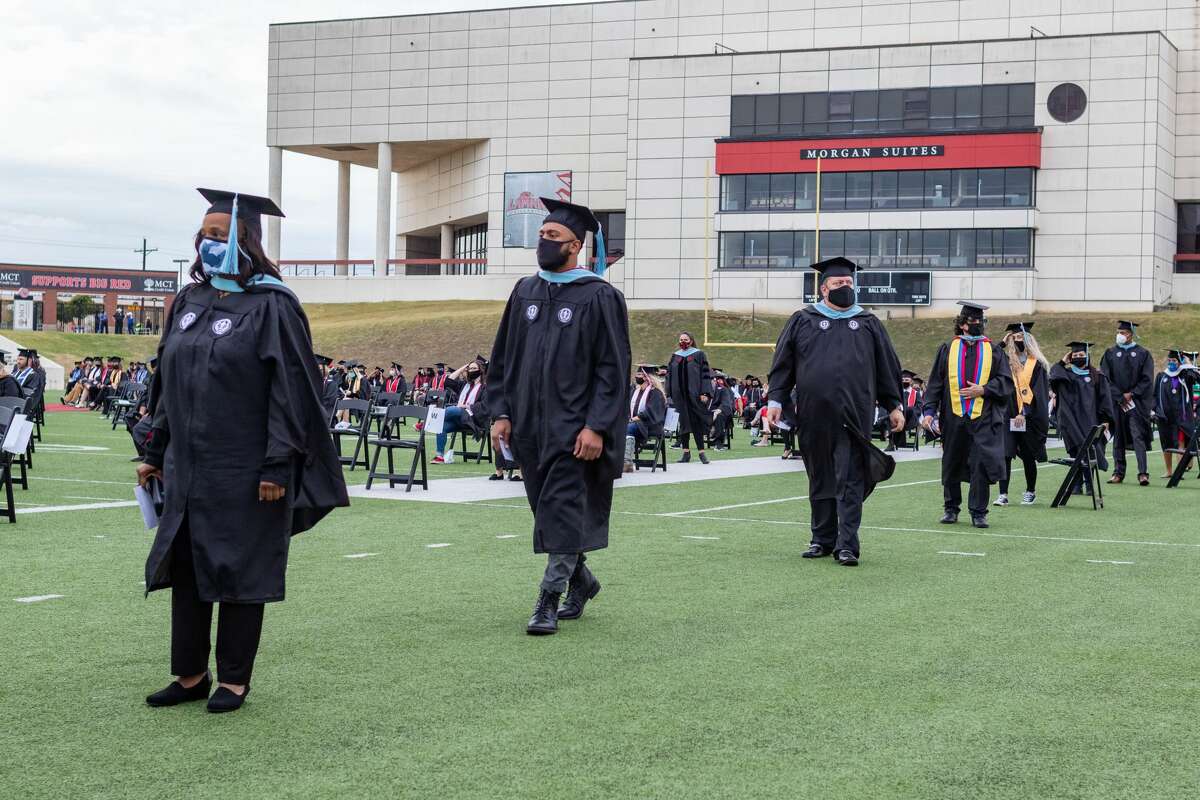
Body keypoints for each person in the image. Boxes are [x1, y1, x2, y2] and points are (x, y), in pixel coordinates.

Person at [137, 188, 348, 713]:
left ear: (244, 240)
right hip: (188, 466)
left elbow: (291, 392)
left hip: (247, 467)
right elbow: (167, 380)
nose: (208, 245)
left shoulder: (273, 306)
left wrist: (278, 463)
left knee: (238, 568)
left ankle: (234, 679)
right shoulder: (189, 301)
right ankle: (189, 675)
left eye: (218, 236)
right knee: (186, 567)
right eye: (203, 236)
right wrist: (154, 449)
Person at [488, 197, 630, 635]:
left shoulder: (600, 295)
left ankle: (548, 599)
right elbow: (503, 357)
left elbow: (613, 368)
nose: (542, 243)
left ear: (575, 246)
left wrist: (597, 426)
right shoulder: (526, 290)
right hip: (528, 425)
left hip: (574, 428)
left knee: (564, 509)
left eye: (553, 237)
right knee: (545, 511)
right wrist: (501, 411)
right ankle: (582, 580)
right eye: (541, 236)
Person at [766, 257, 905, 566]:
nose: (845, 288)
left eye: (849, 284)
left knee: (851, 479)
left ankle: (847, 545)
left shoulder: (868, 323)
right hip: (814, 416)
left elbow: (887, 367)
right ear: (823, 287)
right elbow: (783, 366)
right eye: (839, 283)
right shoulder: (804, 320)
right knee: (820, 478)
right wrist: (775, 401)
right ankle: (822, 539)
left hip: (855, 416)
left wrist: (894, 404)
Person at [921, 301, 1014, 529]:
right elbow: (935, 383)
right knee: (952, 461)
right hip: (953, 416)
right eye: (973, 322)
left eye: (981, 322)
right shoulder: (947, 348)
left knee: (980, 464)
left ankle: (979, 512)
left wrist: (984, 389)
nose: (978, 325)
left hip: (983, 417)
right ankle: (951, 508)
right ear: (962, 325)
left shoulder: (992, 350)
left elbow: (1006, 382)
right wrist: (929, 412)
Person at [1049, 342, 1115, 495]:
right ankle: (1077, 486)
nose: (1078, 358)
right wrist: (1062, 361)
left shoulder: (1097, 376)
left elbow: (1105, 399)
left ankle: (1090, 486)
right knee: (1074, 453)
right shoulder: (1067, 375)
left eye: (1081, 355)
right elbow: (1053, 374)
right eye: (1075, 355)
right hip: (1070, 421)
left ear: (1087, 357)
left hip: (1090, 420)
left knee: (1089, 452)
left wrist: (1105, 419)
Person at [995, 322, 1049, 506]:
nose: (1017, 341)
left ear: (1028, 340)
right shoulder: (1006, 361)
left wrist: (1025, 413)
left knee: (1027, 456)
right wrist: (1002, 344)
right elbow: (991, 355)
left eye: (1021, 337)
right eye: (1014, 338)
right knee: (1006, 454)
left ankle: (1030, 491)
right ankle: (1003, 494)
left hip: (1029, 417)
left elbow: (1040, 392)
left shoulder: (1037, 365)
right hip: (1008, 415)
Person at [1100, 320, 1154, 486]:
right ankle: (1118, 473)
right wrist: (1119, 396)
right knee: (1118, 439)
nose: (1120, 335)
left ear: (1131, 334)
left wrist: (1132, 394)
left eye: (1123, 333)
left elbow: (1147, 379)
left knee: (1137, 437)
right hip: (1117, 403)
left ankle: (1143, 473)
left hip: (1136, 404)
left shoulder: (1143, 354)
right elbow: (1105, 378)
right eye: (1119, 332)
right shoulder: (1110, 353)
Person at [665, 331, 713, 464]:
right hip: (679, 397)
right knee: (683, 424)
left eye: (685, 339)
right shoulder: (675, 356)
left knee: (696, 423)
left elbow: (705, 375)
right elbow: (669, 376)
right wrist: (668, 393)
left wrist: (705, 393)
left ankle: (701, 453)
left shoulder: (699, 354)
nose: (683, 342)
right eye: (681, 339)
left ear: (691, 341)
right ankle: (686, 453)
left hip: (695, 396)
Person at [1153, 349, 1196, 478]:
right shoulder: (1162, 376)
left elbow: (1196, 377)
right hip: (1164, 417)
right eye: (1170, 360)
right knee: (1166, 444)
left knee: (1180, 443)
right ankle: (1169, 471)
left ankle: (1179, 470)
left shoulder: (1185, 376)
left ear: (1179, 362)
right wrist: (1156, 409)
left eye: (1174, 361)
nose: (1171, 363)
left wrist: (1187, 363)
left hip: (1181, 417)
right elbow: (1154, 395)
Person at [434, 359, 486, 462]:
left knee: (453, 410)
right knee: (440, 426)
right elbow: (448, 381)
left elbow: (485, 406)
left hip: (472, 420)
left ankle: (427, 421)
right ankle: (439, 456)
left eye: (474, 368)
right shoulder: (464, 385)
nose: (471, 371)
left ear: (481, 370)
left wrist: (466, 406)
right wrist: (464, 367)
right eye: (470, 369)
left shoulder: (485, 387)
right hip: (459, 419)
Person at [624, 364, 666, 472]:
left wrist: (633, 419)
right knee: (619, 427)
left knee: (628, 428)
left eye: (639, 374)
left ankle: (626, 462)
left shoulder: (655, 393)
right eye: (636, 374)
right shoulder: (635, 391)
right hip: (636, 423)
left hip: (650, 426)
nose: (636, 377)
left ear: (646, 377)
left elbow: (650, 413)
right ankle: (619, 459)